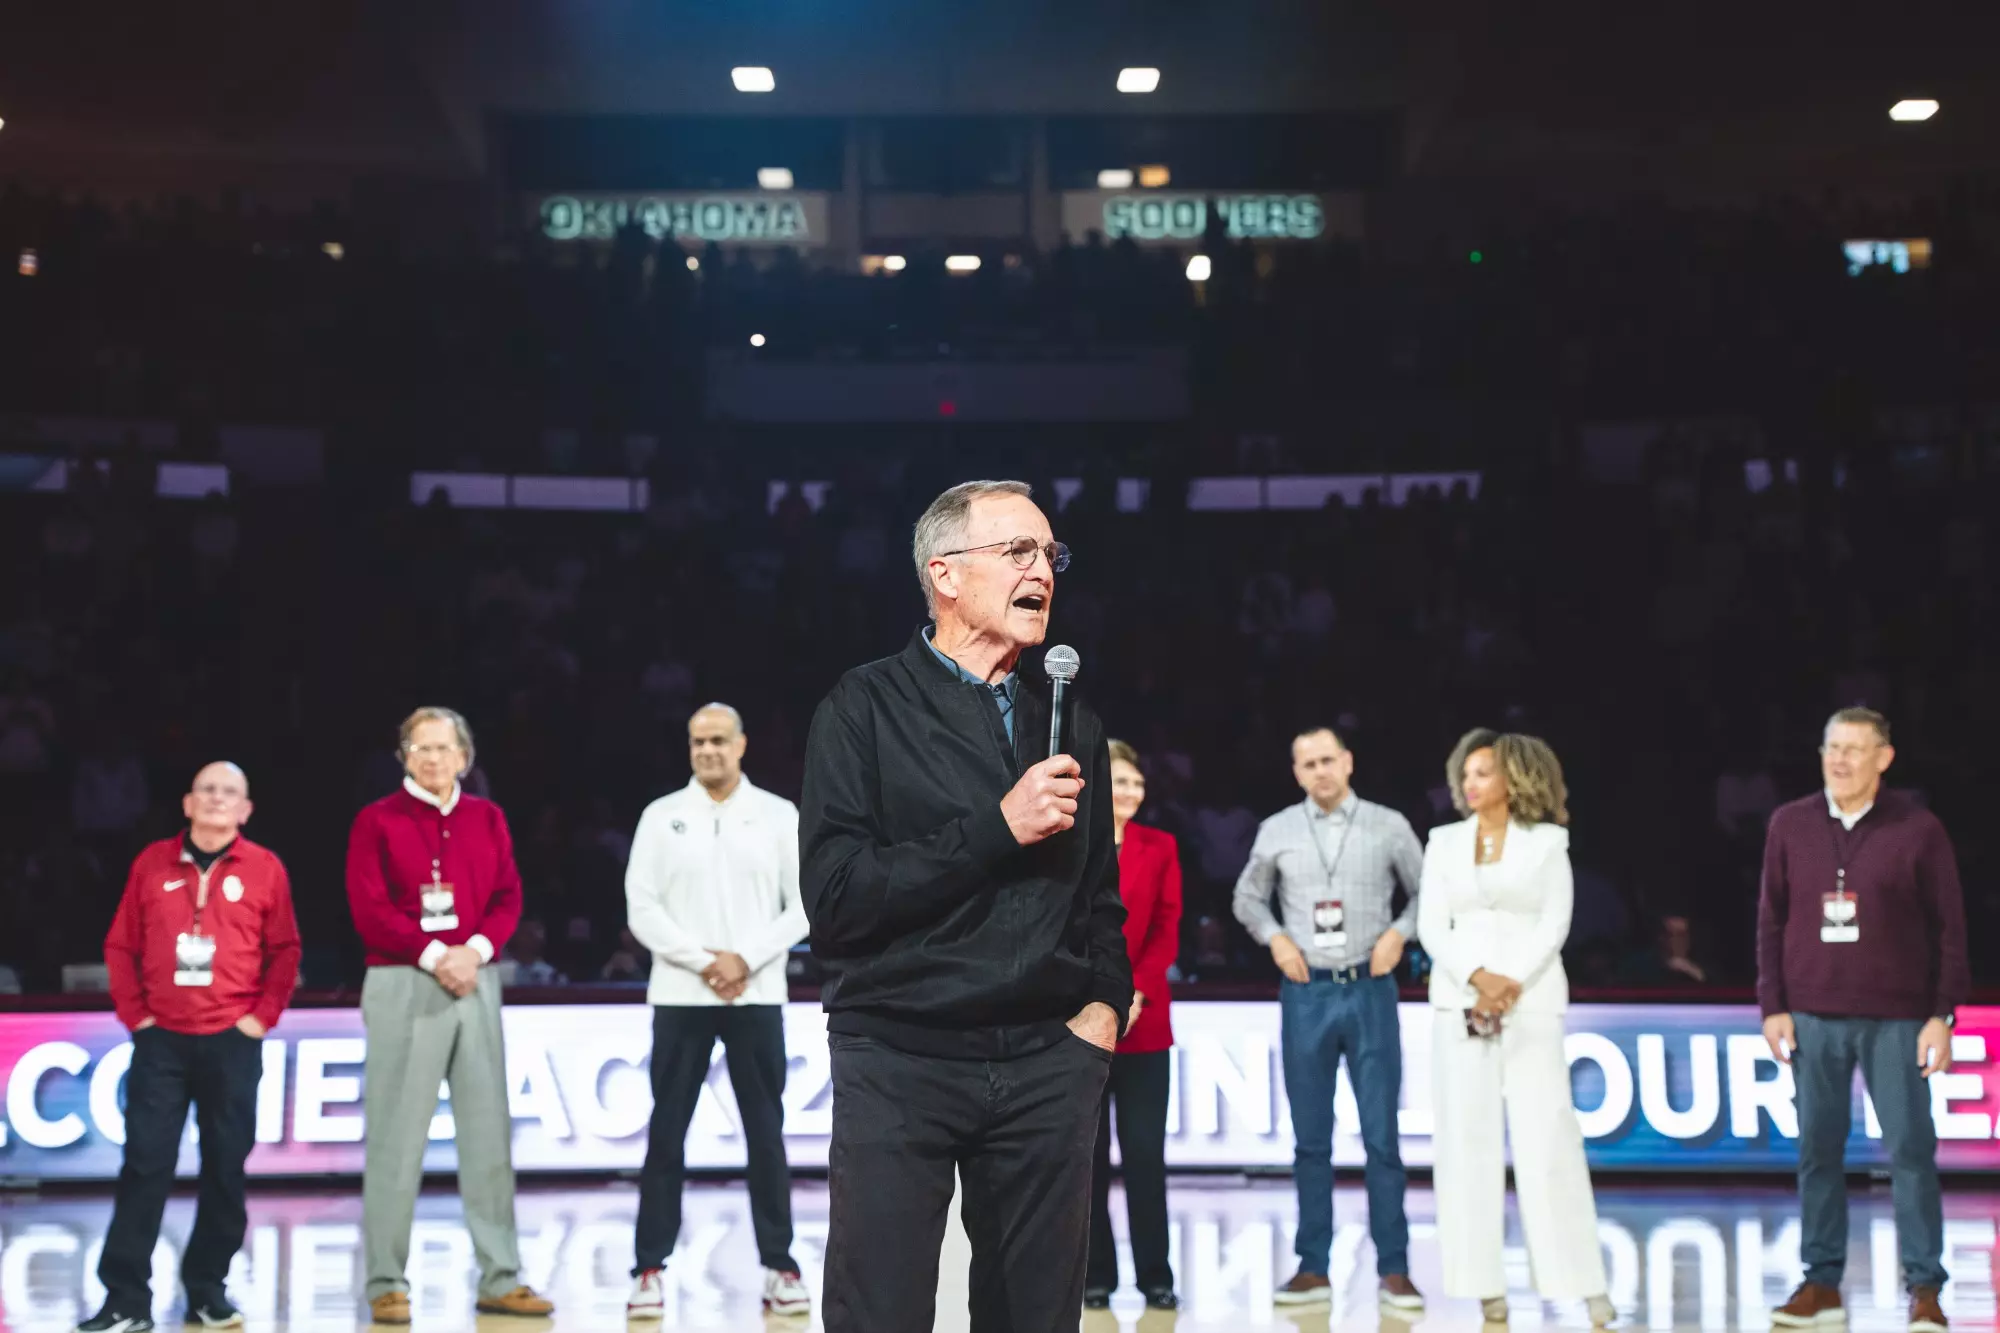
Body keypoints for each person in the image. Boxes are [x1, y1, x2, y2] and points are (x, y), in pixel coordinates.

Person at [799, 479, 1131, 1333]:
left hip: (1047, 1064)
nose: (1044, 571)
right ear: (945, 574)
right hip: (900, 1054)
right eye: (1018, 551)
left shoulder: (1069, 717)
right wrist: (996, 828)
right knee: (882, 1311)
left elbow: (1100, 897)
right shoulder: (862, 707)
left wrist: (1101, 1010)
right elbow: (836, 899)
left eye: (1051, 554)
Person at [1758, 708, 1965, 1333]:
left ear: (1884, 757)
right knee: (1816, 1152)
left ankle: (1924, 1289)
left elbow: (1951, 929)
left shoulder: (1919, 829)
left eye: (1854, 748)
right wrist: (1773, 1006)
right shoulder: (1789, 823)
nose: (1840, 759)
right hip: (1813, 1015)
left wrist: (1941, 1016)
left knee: (1910, 1152)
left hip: (1899, 1018)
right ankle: (1821, 1285)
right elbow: (1770, 920)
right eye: (1831, 747)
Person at [345, 707, 552, 1325]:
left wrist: (478, 952)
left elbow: (508, 895)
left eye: (443, 748)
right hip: (404, 979)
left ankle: (501, 1275)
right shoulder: (376, 820)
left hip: (476, 979)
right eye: (419, 747)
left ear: (465, 756)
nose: (432, 758)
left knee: (488, 1137)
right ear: (403, 756)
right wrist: (439, 955)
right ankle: (386, 1280)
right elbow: (369, 907)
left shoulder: (487, 818)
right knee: (395, 1141)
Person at [83, 762, 300, 1333]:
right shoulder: (151, 863)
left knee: (225, 1170)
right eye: (206, 789)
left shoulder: (266, 869)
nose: (216, 799)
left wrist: (260, 1020)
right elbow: (119, 945)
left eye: (229, 792)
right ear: (187, 802)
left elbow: (285, 952)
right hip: (163, 1044)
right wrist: (139, 1019)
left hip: (233, 1041)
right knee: (144, 1167)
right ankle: (126, 1300)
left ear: (246, 810)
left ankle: (208, 1291)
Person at [1418, 728, 1613, 1326]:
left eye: (1483, 773)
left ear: (1513, 778)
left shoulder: (1548, 843)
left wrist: (1507, 985)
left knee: (1548, 1141)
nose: (1471, 784)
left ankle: (1581, 1284)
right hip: (1460, 1004)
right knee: (1465, 1146)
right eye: (1466, 774)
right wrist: (1477, 978)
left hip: (1529, 1004)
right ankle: (1483, 1288)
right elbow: (1432, 926)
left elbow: (1555, 924)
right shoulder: (1443, 842)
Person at [623, 703, 811, 1319]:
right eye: (698, 741)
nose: (707, 750)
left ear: (742, 745)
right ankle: (649, 1267)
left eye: (718, 741)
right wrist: (706, 962)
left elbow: (805, 904)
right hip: (681, 997)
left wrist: (746, 959)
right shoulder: (661, 817)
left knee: (765, 1137)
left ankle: (780, 1266)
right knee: (666, 1136)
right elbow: (641, 909)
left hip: (756, 997)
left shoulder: (779, 816)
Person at [1231, 727, 1425, 1312]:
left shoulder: (1389, 825)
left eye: (1327, 760)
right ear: (1296, 772)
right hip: (1306, 990)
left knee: (1382, 1137)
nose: (1319, 771)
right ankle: (1313, 1266)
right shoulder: (1277, 830)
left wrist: (1400, 932)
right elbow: (1246, 898)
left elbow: (1427, 893)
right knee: (1310, 1140)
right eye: (1307, 763)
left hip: (1370, 987)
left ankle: (1394, 1269)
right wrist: (1275, 938)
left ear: (1348, 762)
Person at [1084, 740, 1183, 1311]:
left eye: (1137, 784)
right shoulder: (1074, 841)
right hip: (1084, 1020)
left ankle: (1156, 1277)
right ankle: (1096, 1276)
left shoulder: (1161, 846)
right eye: (1119, 783)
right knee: (1088, 1158)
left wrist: (1136, 989)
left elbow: (1168, 926)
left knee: (1145, 1155)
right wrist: (1103, 995)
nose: (1130, 793)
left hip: (1145, 1024)